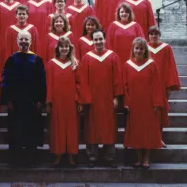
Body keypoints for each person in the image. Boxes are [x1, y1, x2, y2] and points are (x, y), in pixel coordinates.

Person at [0, 31, 46, 166]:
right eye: (22, 39)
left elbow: (42, 81)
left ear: (31, 41)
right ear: (17, 41)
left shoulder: (37, 60)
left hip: (32, 103)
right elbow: (5, 80)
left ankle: (31, 161)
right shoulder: (11, 59)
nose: (24, 41)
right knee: (16, 131)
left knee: (31, 131)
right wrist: (7, 100)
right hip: (15, 103)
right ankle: (15, 161)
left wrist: (40, 100)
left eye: (26, 39)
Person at [80, 29, 123, 168]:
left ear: (105, 40)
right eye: (95, 39)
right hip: (92, 99)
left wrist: (116, 97)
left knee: (108, 127)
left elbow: (117, 79)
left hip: (108, 98)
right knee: (91, 127)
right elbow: (83, 80)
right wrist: (85, 99)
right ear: (92, 41)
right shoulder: (87, 57)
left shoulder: (113, 56)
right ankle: (92, 156)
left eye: (100, 39)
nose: (98, 42)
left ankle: (109, 156)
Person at [46, 36, 89, 166]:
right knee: (57, 129)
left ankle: (71, 156)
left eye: (66, 46)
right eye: (61, 46)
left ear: (69, 48)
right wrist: (48, 102)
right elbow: (49, 84)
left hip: (71, 102)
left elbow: (80, 84)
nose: (64, 48)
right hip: (57, 102)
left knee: (71, 129)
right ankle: (58, 155)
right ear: (58, 48)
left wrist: (80, 101)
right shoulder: (51, 64)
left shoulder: (75, 64)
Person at [123, 37, 164, 169]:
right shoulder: (127, 65)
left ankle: (146, 159)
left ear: (145, 50)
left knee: (147, 131)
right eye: (136, 48)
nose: (139, 50)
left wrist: (157, 103)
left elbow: (157, 85)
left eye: (141, 48)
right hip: (134, 104)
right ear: (133, 49)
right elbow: (125, 86)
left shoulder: (151, 65)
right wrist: (126, 102)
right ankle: (138, 158)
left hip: (148, 103)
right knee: (137, 131)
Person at [148, 26, 181, 147]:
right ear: (148, 35)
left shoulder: (166, 48)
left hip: (161, 84)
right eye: (151, 34)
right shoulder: (144, 47)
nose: (153, 36)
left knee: (160, 113)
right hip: (147, 85)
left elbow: (170, 67)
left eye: (156, 34)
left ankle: (158, 138)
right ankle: (149, 137)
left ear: (159, 35)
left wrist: (169, 86)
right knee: (148, 113)